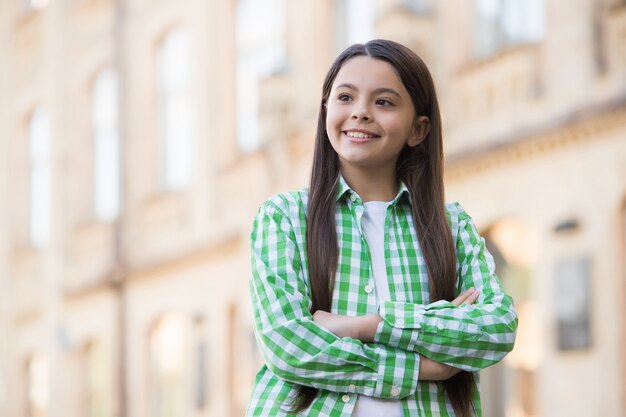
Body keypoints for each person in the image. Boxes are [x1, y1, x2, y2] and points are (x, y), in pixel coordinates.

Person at [246, 39, 518, 417]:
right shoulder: (284, 218)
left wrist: (366, 325)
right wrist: (424, 365)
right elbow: (287, 346)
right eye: (345, 97)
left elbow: (496, 328)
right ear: (325, 111)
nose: (360, 113)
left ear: (418, 129)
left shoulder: (451, 226)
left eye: (384, 102)